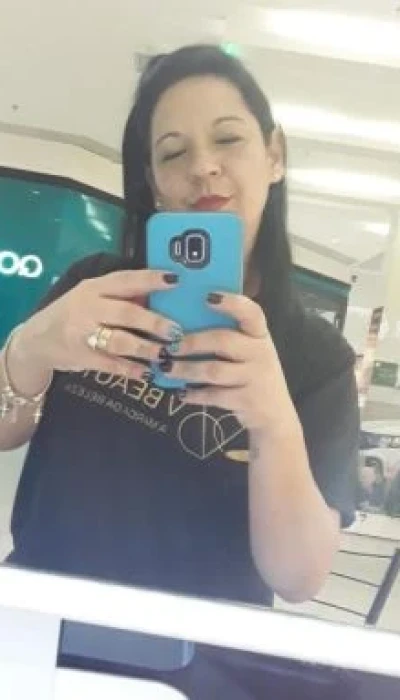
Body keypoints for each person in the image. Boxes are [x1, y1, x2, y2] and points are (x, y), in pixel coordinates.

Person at [0, 45, 360, 610]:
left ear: (275, 154)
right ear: (153, 181)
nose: (202, 167)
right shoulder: (94, 287)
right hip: (41, 621)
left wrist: (274, 424)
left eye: (228, 139)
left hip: (198, 647)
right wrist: (30, 349)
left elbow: (297, 579)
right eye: (173, 152)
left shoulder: (318, 355)